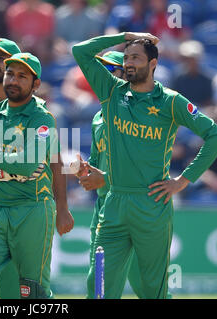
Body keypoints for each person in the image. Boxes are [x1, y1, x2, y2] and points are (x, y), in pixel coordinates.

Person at [72, 32, 217, 298]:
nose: (129, 63)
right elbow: (80, 51)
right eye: (126, 58)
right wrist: (126, 36)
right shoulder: (111, 91)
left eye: (135, 58)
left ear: (153, 64)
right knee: (98, 288)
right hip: (114, 204)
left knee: (153, 291)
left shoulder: (171, 101)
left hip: (152, 204)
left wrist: (183, 180)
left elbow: (216, 136)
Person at [0, 38, 73, 299]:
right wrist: (1, 171)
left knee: (29, 292)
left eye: (21, 76)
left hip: (31, 209)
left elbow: (31, 164)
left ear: (35, 84)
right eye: (10, 73)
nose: (13, 79)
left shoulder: (42, 117)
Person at [76, 50, 145, 299]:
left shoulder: (138, 114)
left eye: (110, 70)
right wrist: (84, 169)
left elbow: (143, 167)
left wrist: (105, 178)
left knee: (148, 287)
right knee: (99, 286)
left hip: (134, 205)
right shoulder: (98, 117)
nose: (103, 76)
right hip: (105, 204)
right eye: (101, 69)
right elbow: (97, 161)